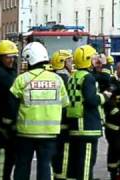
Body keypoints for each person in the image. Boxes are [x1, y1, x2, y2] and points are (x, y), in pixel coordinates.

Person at [10, 42, 70, 180]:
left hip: (25, 132)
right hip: (49, 132)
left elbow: (11, 104)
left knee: (22, 165)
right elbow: (65, 104)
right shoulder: (57, 79)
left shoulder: (22, 79)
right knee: (45, 166)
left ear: (30, 59)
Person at [66, 45, 109, 180]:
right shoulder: (88, 78)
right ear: (87, 59)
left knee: (75, 164)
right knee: (86, 164)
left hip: (75, 126)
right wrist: (104, 97)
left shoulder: (75, 76)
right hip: (87, 127)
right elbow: (91, 100)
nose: (96, 60)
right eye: (94, 57)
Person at [0, 40, 19, 180]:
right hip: (2, 126)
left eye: (13, 57)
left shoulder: (8, 72)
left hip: (4, 124)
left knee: (8, 161)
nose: (11, 60)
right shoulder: (1, 75)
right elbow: (9, 101)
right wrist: (7, 125)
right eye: (8, 57)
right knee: (3, 161)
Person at [50, 49, 73, 180]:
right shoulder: (65, 78)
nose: (71, 64)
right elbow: (67, 102)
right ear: (62, 62)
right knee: (63, 154)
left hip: (53, 123)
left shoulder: (53, 77)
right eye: (69, 61)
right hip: (64, 123)